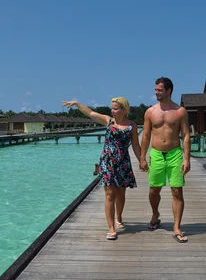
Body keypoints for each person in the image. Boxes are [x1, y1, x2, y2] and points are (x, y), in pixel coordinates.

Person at [62, 97, 142, 240]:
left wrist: (142, 160)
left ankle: (119, 217)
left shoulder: (131, 125)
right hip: (107, 161)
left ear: (123, 110)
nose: (112, 110)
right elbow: (90, 113)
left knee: (121, 194)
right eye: (112, 108)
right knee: (110, 194)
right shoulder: (108, 121)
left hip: (123, 162)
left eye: (115, 108)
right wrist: (76, 103)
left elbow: (136, 145)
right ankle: (111, 228)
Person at [139, 77, 191, 243]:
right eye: (156, 90)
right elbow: (146, 135)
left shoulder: (180, 111)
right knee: (154, 190)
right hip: (156, 154)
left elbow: (186, 135)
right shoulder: (150, 112)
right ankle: (155, 213)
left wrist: (187, 159)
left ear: (169, 91)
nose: (156, 93)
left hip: (175, 154)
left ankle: (176, 227)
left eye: (159, 90)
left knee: (177, 190)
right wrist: (142, 157)